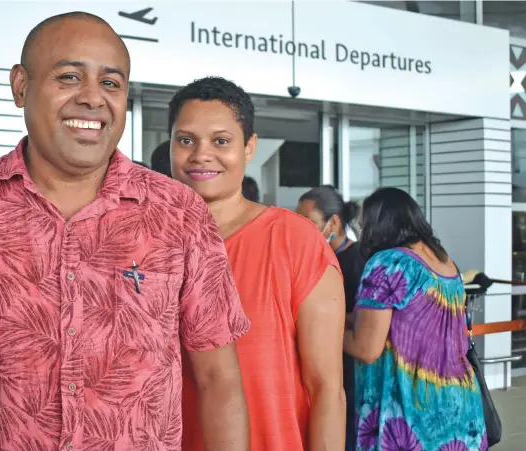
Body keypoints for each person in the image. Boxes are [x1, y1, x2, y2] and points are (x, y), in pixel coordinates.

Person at [0, 12, 250, 451]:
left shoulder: (179, 215)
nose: (93, 98)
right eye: (69, 77)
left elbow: (218, 379)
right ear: (21, 86)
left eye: (111, 84)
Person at [171, 76, 346, 451]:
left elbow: (326, 389)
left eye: (221, 141)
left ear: (249, 147)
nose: (201, 154)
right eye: (186, 140)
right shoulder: (148, 242)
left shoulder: (295, 240)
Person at [344, 187, 486, 451]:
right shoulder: (445, 263)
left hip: (411, 415)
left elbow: (365, 348)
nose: (363, 235)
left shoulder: (388, 263)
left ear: (380, 225)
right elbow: (404, 323)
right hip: (461, 408)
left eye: (364, 227)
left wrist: (320, 329)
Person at [296, 186, 366, 451]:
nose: (301, 230)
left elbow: (366, 317)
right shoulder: (317, 258)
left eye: (309, 223)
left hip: (347, 369)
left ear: (333, 222)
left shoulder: (357, 261)